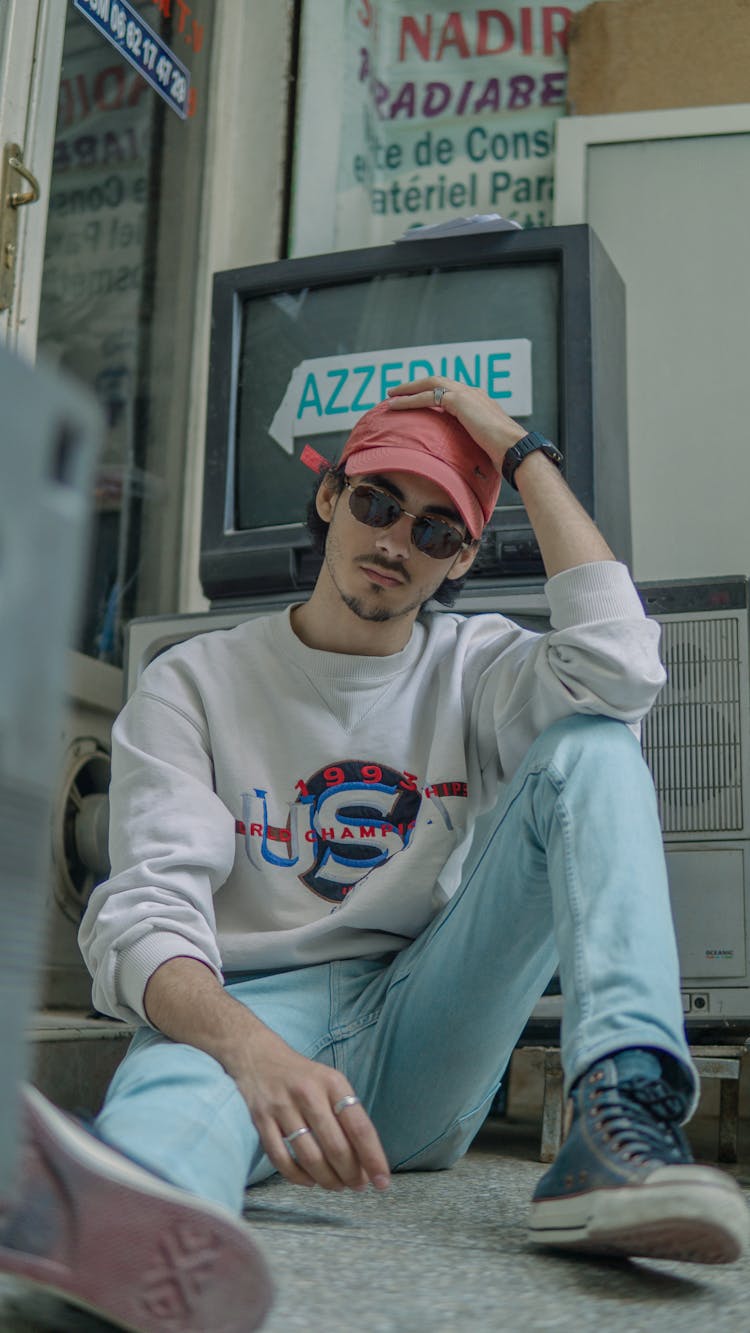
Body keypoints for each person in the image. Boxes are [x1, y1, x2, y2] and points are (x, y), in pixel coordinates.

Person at [4, 378, 747, 1330]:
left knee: (593, 743)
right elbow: (144, 916)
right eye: (379, 502)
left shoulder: (479, 666)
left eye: (438, 530)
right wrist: (254, 1050)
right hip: (246, 1020)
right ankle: (116, 1245)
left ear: (463, 557)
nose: (397, 541)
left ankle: (623, 1113)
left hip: (418, 1022)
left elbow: (623, 668)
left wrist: (518, 450)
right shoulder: (194, 681)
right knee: (173, 1103)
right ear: (331, 498)